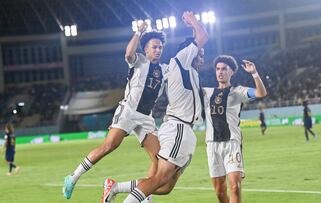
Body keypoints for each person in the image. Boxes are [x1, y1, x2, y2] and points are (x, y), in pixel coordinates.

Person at [63, 22, 167, 199]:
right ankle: (73, 177)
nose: (158, 50)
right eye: (154, 47)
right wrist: (138, 32)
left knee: (159, 160)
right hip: (128, 111)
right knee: (109, 146)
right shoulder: (139, 61)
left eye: (160, 47)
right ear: (147, 49)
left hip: (146, 117)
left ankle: (145, 195)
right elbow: (128, 53)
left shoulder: (165, 70)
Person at [111, 11, 208, 203]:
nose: (202, 57)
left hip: (186, 130)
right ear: (190, 51)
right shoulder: (180, 60)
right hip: (178, 127)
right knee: (159, 179)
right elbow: (203, 36)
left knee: (166, 187)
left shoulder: (191, 73)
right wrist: (193, 21)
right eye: (200, 53)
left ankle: (115, 187)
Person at [203, 56, 267, 203]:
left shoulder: (238, 91)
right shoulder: (206, 93)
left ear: (232, 72)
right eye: (218, 69)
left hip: (232, 144)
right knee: (219, 192)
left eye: (224, 69)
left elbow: (261, 93)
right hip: (212, 145)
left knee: (235, 187)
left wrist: (254, 73)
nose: (220, 72)